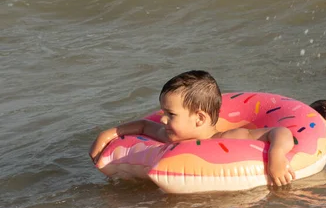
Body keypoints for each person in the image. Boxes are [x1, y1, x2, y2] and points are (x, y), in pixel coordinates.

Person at [89, 70, 296, 186]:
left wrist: (276, 156)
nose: (163, 120)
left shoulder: (230, 138)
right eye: (163, 113)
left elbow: (280, 132)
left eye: (171, 115)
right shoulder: (170, 137)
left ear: (199, 118)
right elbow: (143, 126)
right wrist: (109, 133)